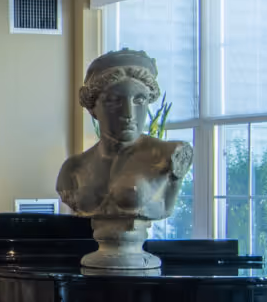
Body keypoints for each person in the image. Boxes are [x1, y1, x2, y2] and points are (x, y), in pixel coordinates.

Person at [55, 48, 193, 222]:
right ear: (93, 108)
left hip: (136, 248)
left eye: (139, 100)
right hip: (94, 247)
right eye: (114, 100)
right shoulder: (73, 169)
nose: (129, 113)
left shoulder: (169, 155)